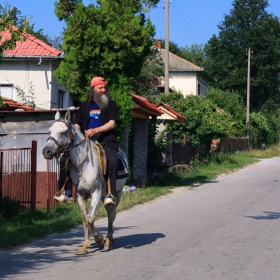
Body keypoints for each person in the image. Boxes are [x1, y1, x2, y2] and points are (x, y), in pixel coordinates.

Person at [73, 76, 120, 206]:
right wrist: (79, 133)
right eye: (100, 87)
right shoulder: (84, 106)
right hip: (86, 141)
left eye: (104, 87)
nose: (103, 90)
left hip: (106, 140)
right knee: (65, 159)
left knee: (114, 161)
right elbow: (76, 124)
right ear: (93, 89)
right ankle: (64, 191)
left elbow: (111, 124)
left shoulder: (111, 104)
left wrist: (96, 130)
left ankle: (110, 194)